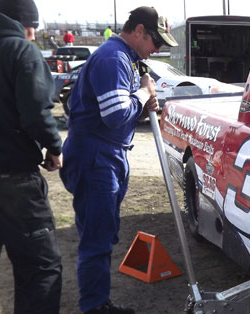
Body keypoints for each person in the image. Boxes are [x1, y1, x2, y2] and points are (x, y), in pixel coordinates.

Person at [59, 6, 177, 314]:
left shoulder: (125, 58)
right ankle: (94, 307)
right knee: (96, 238)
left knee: (103, 232)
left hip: (105, 154)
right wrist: (141, 95)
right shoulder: (113, 58)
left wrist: (142, 96)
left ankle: (99, 302)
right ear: (139, 31)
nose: (157, 50)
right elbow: (114, 115)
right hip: (96, 156)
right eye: (156, 41)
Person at [0, 0, 63, 313]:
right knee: (40, 269)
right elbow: (35, 113)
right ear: (23, 22)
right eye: (32, 27)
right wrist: (54, 147)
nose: (33, 34)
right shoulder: (21, 50)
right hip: (13, 180)